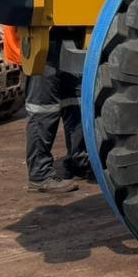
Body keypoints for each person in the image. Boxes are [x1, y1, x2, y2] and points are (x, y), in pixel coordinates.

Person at [20, 29, 90, 194]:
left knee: (76, 102)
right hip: (42, 37)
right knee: (42, 109)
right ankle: (40, 175)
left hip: (72, 35)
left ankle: (79, 161)